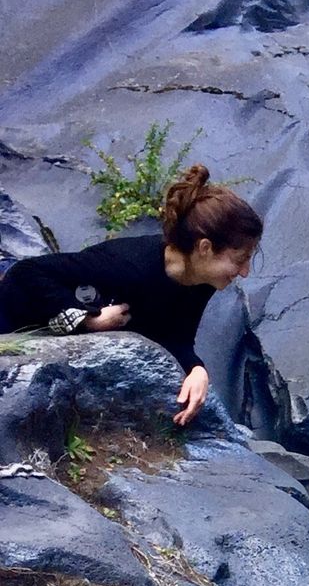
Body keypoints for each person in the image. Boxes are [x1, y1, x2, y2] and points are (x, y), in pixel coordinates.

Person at [0, 165, 263, 426]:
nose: (244, 272)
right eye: (239, 260)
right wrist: (87, 318)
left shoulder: (200, 280)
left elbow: (175, 336)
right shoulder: (127, 265)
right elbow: (26, 273)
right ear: (205, 248)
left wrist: (196, 369)